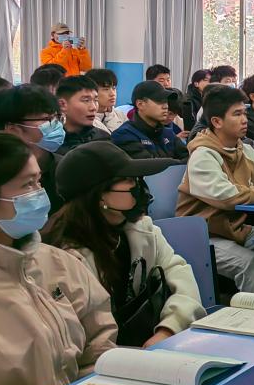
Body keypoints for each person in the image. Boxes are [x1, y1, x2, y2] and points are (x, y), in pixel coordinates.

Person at [0, 132, 116, 385]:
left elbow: (99, 338)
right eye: (27, 185)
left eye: (39, 182)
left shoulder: (56, 262)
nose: (39, 194)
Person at [45, 143, 205, 347]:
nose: (139, 187)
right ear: (99, 195)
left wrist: (168, 329)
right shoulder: (65, 257)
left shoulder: (143, 230)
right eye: (129, 180)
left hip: (152, 345)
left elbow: (180, 276)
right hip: (103, 358)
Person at [176, 85, 254, 293]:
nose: (245, 119)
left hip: (235, 229)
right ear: (217, 122)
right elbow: (228, 197)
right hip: (204, 235)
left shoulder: (242, 148)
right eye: (237, 114)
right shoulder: (202, 155)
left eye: (245, 113)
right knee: (248, 263)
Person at [0, 85, 67, 214]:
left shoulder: (66, 168)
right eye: (47, 120)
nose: (56, 124)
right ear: (12, 130)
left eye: (57, 117)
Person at [111, 81, 189, 161]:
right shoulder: (124, 135)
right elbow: (149, 166)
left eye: (166, 102)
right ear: (140, 104)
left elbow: (188, 159)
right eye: (159, 101)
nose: (166, 106)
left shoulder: (168, 133)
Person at [56, 76, 112, 154]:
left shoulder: (103, 138)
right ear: (62, 105)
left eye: (96, 100)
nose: (93, 107)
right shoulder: (53, 142)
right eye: (86, 100)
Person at [86, 68, 126, 133]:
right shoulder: (84, 120)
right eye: (106, 89)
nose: (112, 94)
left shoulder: (120, 115)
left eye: (114, 88)